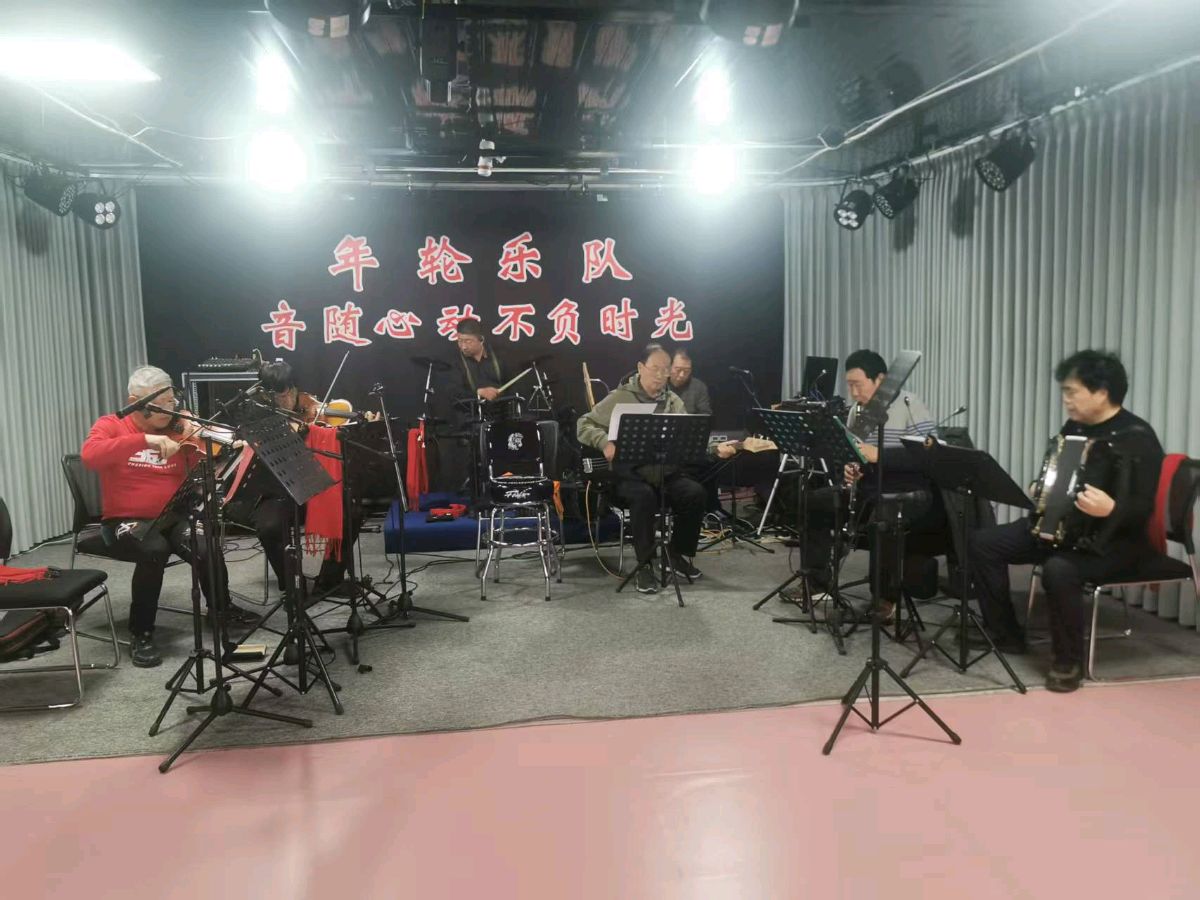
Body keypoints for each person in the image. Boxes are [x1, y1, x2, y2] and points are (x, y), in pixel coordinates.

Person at [970, 350, 1163, 693]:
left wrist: (1112, 509)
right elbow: (1059, 470)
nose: (1065, 399)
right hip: (1062, 527)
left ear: (1101, 392)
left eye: (1072, 391)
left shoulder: (1137, 438)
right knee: (984, 543)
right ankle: (1006, 634)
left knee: (1060, 569)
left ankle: (1067, 662)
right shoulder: (1075, 428)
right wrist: (1041, 488)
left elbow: (1144, 508)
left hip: (1114, 541)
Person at [81, 365, 253, 668]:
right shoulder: (112, 425)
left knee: (205, 546)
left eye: (172, 401)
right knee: (154, 551)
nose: (169, 410)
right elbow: (90, 456)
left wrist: (218, 447)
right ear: (135, 401)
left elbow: (207, 459)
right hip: (124, 521)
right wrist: (145, 440)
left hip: (174, 515)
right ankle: (141, 631)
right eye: (159, 405)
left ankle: (221, 610)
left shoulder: (179, 425)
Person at [576, 343, 737, 593]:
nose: (661, 375)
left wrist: (715, 449)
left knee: (694, 493)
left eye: (665, 370)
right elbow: (584, 424)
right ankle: (645, 564)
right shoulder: (621, 397)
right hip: (628, 476)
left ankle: (675, 554)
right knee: (645, 497)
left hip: (664, 472)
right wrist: (604, 441)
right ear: (640, 368)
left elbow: (690, 437)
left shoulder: (672, 401)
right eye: (656, 369)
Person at [801, 350, 944, 615]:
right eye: (849, 385)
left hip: (907, 491)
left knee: (883, 515)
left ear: (880, 380)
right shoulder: (857, 411)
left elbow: (930, 455)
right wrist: (850, 468)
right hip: (868, 488)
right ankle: (817, 583)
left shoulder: (910, 404)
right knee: (814, 502)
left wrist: (879, 455)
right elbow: (854, 453)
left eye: (858, 384)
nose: (853, 393)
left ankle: (884, 598)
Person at [249, 360, 362, 594]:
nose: (285, 401)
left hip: (314, 485)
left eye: (288, 394)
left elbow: (335, 429)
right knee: (269, 527)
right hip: (278, 488)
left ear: (294, 388)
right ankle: (292, 585)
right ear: (267, 395)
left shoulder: (309, 406)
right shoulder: (258, 412)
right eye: (277, 397)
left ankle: (330, 580)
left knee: (352, 513)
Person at [668, 349, 711, 416]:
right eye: (678, 370)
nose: (682, 375)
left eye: (686, 371)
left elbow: (705, 415)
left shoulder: (699, 387)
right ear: (669, 367)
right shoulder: (659, 384)